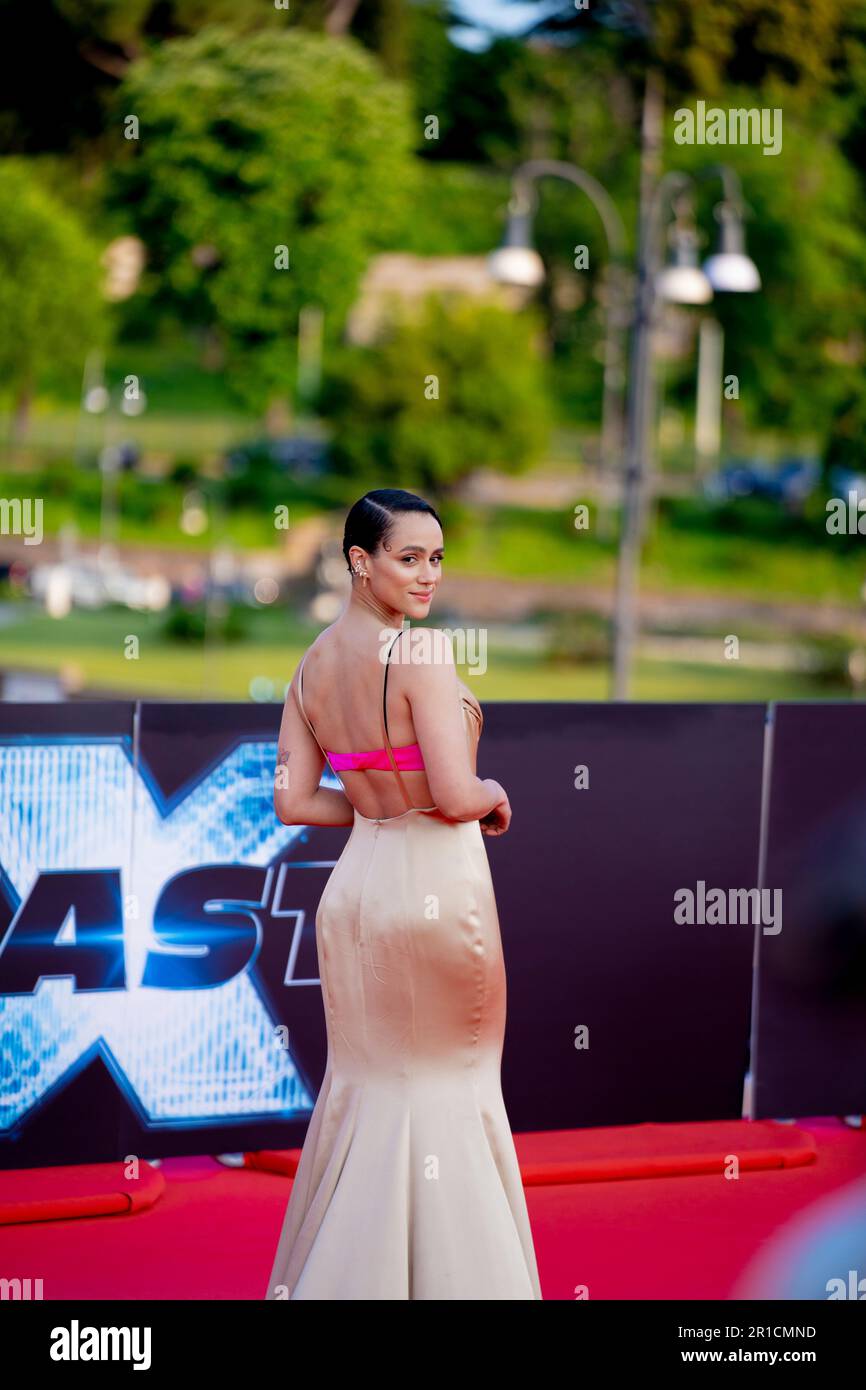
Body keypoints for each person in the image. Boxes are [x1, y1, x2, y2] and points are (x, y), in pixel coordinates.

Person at [264, 488, 542, 1300]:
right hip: (433, 881)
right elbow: (455, 794)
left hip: (357, 888)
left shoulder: (311, 663)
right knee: (449, 1080)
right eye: (408, 558)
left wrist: (373, 801)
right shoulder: (421, 656)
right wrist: (492, 791)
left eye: (437, 558)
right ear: (360, 561)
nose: (428, 576)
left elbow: (291, 801)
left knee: (370, 1084)